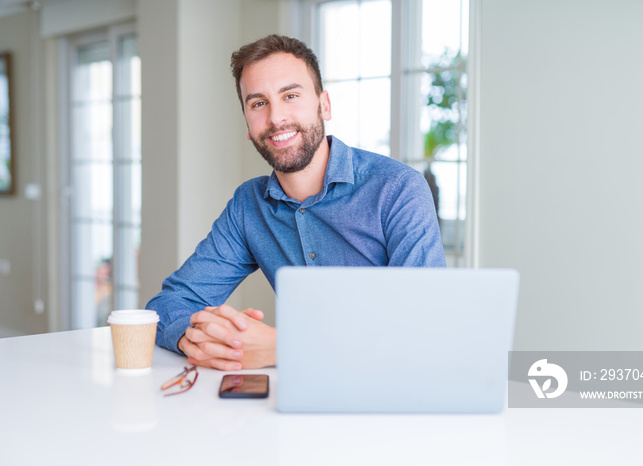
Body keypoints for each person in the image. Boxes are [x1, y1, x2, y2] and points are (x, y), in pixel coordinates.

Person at [147, 34, 445, 371]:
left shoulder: (398, 189)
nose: (276, 118)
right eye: (258, 103)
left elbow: (424, 327)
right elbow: (168, 305)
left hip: (392, 395)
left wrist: (284, 348)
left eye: (291, 95)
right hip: (295, 402)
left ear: (324, 105)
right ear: (247, 122)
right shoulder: (250, 204)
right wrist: (197, 340)